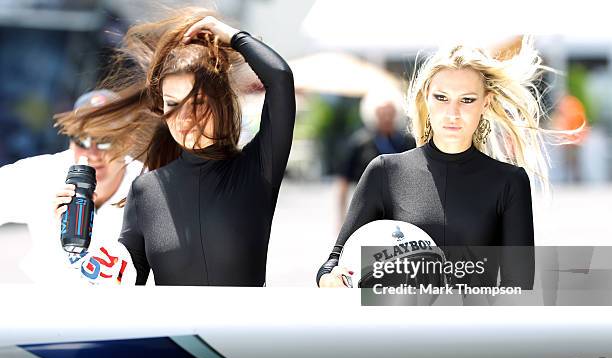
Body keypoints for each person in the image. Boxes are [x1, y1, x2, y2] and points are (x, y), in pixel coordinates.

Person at [55, 8, 295, 286]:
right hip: (179, 332)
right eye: (172, 104)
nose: (184, 119)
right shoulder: (146, 190)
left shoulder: (257, 169)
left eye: (198, 104)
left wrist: (231, 36)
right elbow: (126, 283)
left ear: (222, 105)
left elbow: (280, 79)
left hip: (244, 330)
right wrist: (78, 241)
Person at [318, 38, 555, 289]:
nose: (452, 113)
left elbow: (518, 287)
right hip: (399, 326)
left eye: (467, 100)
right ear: (426, 98)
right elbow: (333, 263)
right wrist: (331, 281)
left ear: (485, 103)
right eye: (442, 97)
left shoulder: (510, 182)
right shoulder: (384, 172)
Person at [0, 90, 141, 284]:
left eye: (105, 140)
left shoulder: (148, 186)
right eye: (81, 139)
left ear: (128, 139)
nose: (92, 153)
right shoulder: (44, 172)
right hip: (47, 304)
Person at [337, 91, 416, 225]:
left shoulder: (408, 142)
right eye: (382, 113)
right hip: (368, 209)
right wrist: (341, 220)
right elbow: (343, 182)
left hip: (403, 210)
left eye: (389, 113)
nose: (386, 117)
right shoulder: (359, 143)